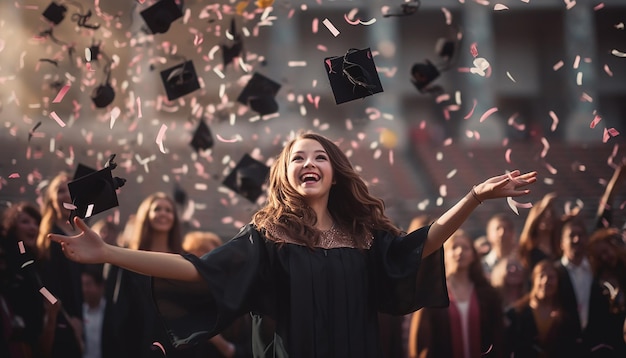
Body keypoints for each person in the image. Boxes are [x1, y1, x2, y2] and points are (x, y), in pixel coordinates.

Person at [48, 132, 537, 357]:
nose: (309, 162)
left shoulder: (364, 237)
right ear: (284, 173)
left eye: (319, 156)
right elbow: (200, 270)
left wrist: (473, 197)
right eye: (297, 156)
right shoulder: (269, 238)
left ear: (334, 171)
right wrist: (109, 252)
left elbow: (419, 247)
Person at [100, 192, 186, 358]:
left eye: (168, 210)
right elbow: (116, 313)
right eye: (157, 209)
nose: (163, 213)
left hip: (175, 344)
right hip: (136, 343)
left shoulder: (184, 261)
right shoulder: (128, 261)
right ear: (146, 215)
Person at [408, 229, 505, 358]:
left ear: (473, 255)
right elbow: (421, 340)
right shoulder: (432, 293)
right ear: (445, 254)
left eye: (465, 248)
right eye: (454, 247)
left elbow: (498, 335)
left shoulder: (487, 294)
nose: (460, 252)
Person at [554, 215, 626, 357]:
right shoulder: (554, 273)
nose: (577, 239)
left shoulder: (597, 270)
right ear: (562, 243)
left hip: (597, 348)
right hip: (563, 349)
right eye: (571, 235)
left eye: (580, 235)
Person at [35, 171, 84, 358]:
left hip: (79, 318)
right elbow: (42, 284)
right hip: (57, 320)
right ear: (51, 198)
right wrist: (65, 316)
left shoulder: (81, 234)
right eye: (60, 190)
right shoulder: (47, 236)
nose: (66, 195)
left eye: (70, 190)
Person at [183, 230, 253, 358]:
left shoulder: (235, 297)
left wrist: (221, 343)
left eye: (208, 254)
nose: (201, 265)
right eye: (195, 256)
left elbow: (249, 350)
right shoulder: (179, 298)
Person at [504, 259, 579, 357]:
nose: (545, 281)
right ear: (534, 280)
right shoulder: (516, 313)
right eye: (541, 276)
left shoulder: (565, 316)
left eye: (551, 277)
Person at [0, 202, 45, 357]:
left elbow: (42, 289)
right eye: (25, 222)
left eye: (36, 223)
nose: (33, 227)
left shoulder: (32, 259)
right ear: (12, 225)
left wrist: (53, 301)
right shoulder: (8, 260)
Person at [517, 192, 561, 273]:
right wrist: (544, 206)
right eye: (543, 214)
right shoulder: (529, 250)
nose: (548, 217)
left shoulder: (559, 248)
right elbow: (528, 230)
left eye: (551, 214)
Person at [81, 265, 106, 358]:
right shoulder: (81, 313)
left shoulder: (110, 313)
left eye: (88, 285)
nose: (84, 290)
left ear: (100, 287)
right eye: (83, 285)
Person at [481, 213, 516, 279]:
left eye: (506, 229)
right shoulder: (482, 266)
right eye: (497, 229)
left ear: (513, 233)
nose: (501, 233)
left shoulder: (521, 263)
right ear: (488, 234)